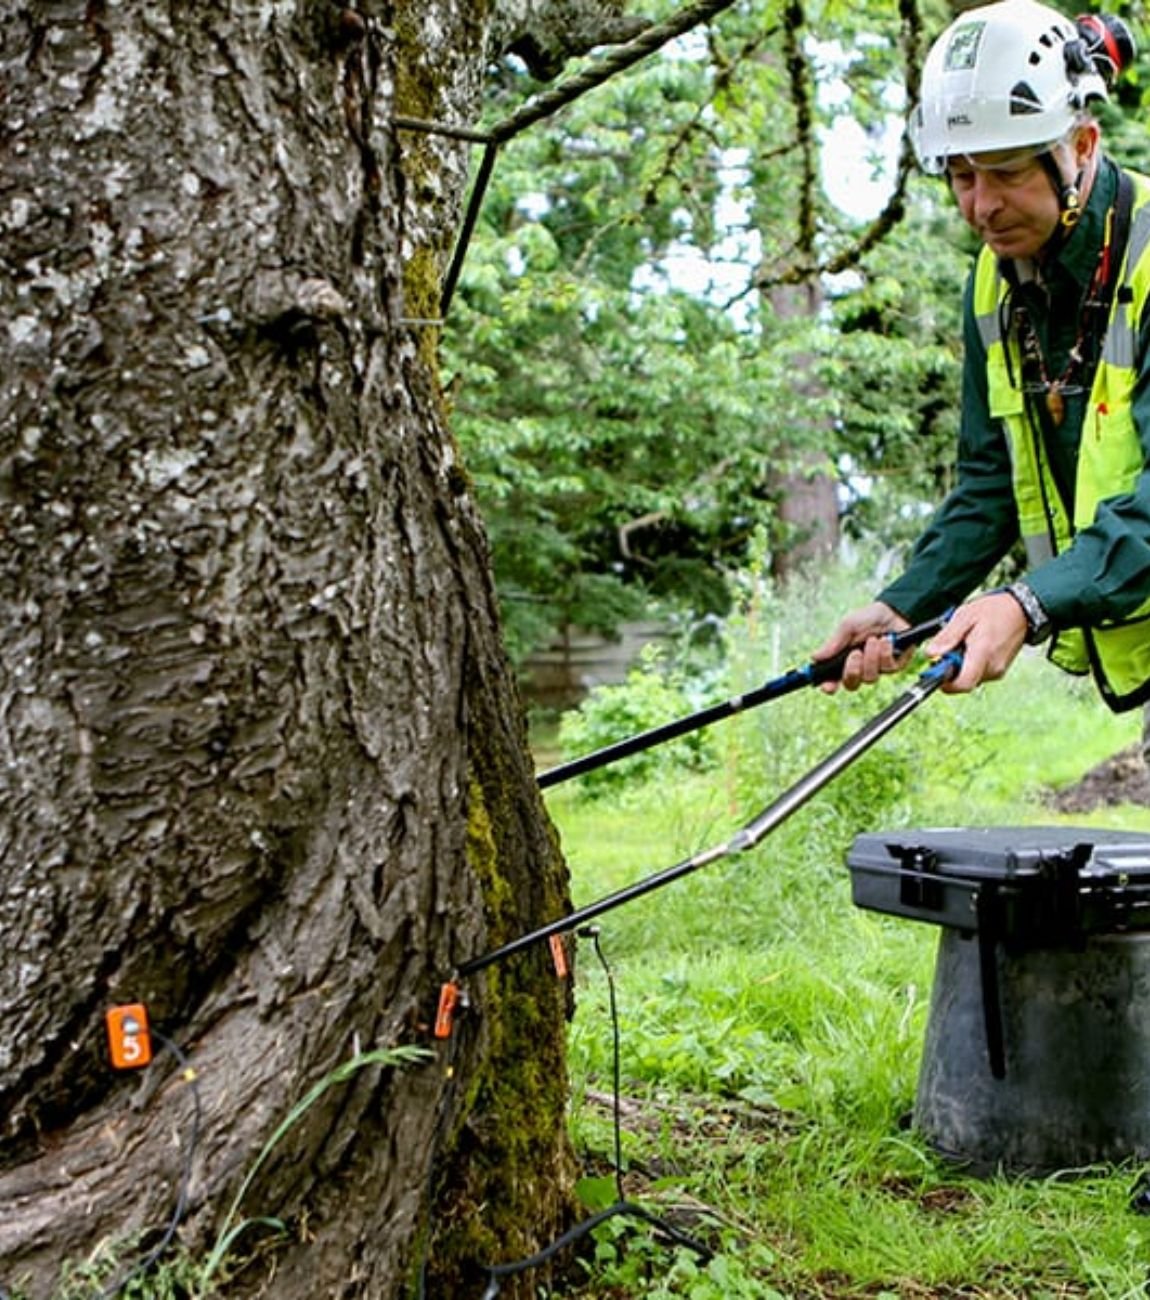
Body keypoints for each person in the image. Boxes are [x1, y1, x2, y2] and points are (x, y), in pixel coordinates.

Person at [814, 0, 1150, 713]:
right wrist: (906, 606)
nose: (981, 207)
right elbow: (991, 482)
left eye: (1005, 173)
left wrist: (1025, 604)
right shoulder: (994, 288)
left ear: (1083, 146)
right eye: (961, 177)